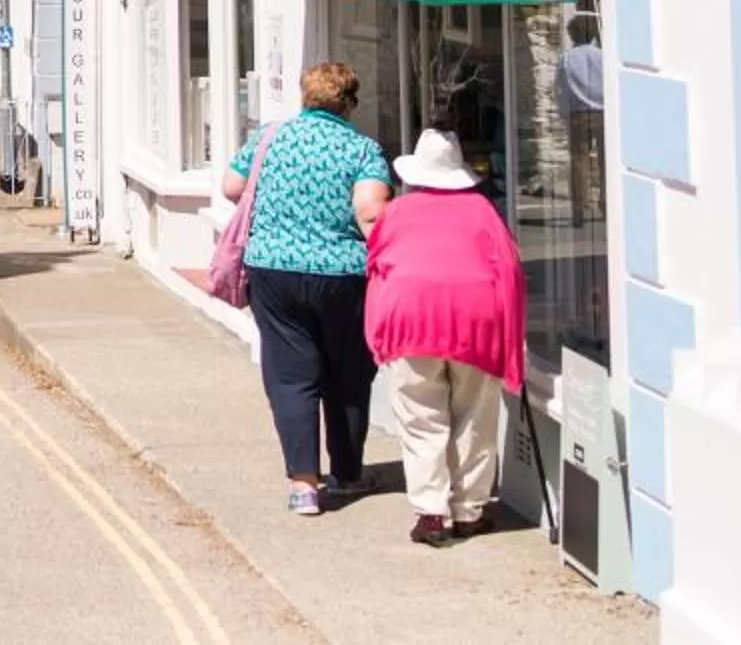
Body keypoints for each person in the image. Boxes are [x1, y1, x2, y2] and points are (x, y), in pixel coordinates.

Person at [224, 60, 394, 516]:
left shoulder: (268, 138)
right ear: (350, 103)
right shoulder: (363, 150)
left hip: (273, 270)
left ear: (305, 96)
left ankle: (303, 485)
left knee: (291, 375)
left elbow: (231, 186)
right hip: (343, 275)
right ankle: (347, 473)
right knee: (348, 374)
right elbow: (371, 213)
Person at [366, 127, 527, 546]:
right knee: (475, 415)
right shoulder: (483, 212)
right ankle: (469, 510)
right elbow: (510, 271)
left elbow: (377, 268)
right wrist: (512, 340)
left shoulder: (397, 212)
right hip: (475, 321)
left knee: (421, 418)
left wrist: (378, 330)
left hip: (410, 318)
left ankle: (431, 513)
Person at [557, 13, 606, 219]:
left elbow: (560, 89)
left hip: (578, 112)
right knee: (606, 160)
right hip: (603, 111)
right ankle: (606, 204)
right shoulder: (602, 56)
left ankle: (579, 209)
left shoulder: (566, 58)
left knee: (579, 161)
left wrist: (563, 112)